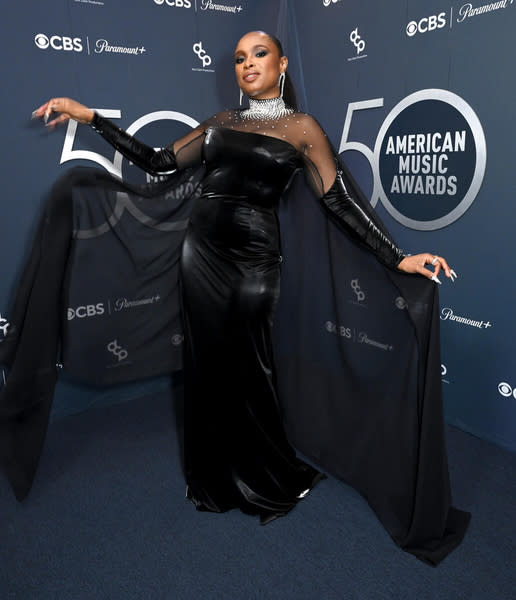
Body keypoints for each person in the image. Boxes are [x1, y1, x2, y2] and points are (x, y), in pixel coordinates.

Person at [2, 31, 469, 564]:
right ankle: (214, 479)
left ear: (283, 64)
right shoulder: (222, 122)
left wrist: (397, 256)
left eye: (259, 54)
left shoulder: (301, 129)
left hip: (253, 261)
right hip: (199, 256)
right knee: (206, 366)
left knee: (251, 367)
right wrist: (92, 119)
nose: (248, 64)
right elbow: (158, 162)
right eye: (241, 58)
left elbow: (339, 201)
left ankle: (270, 476)